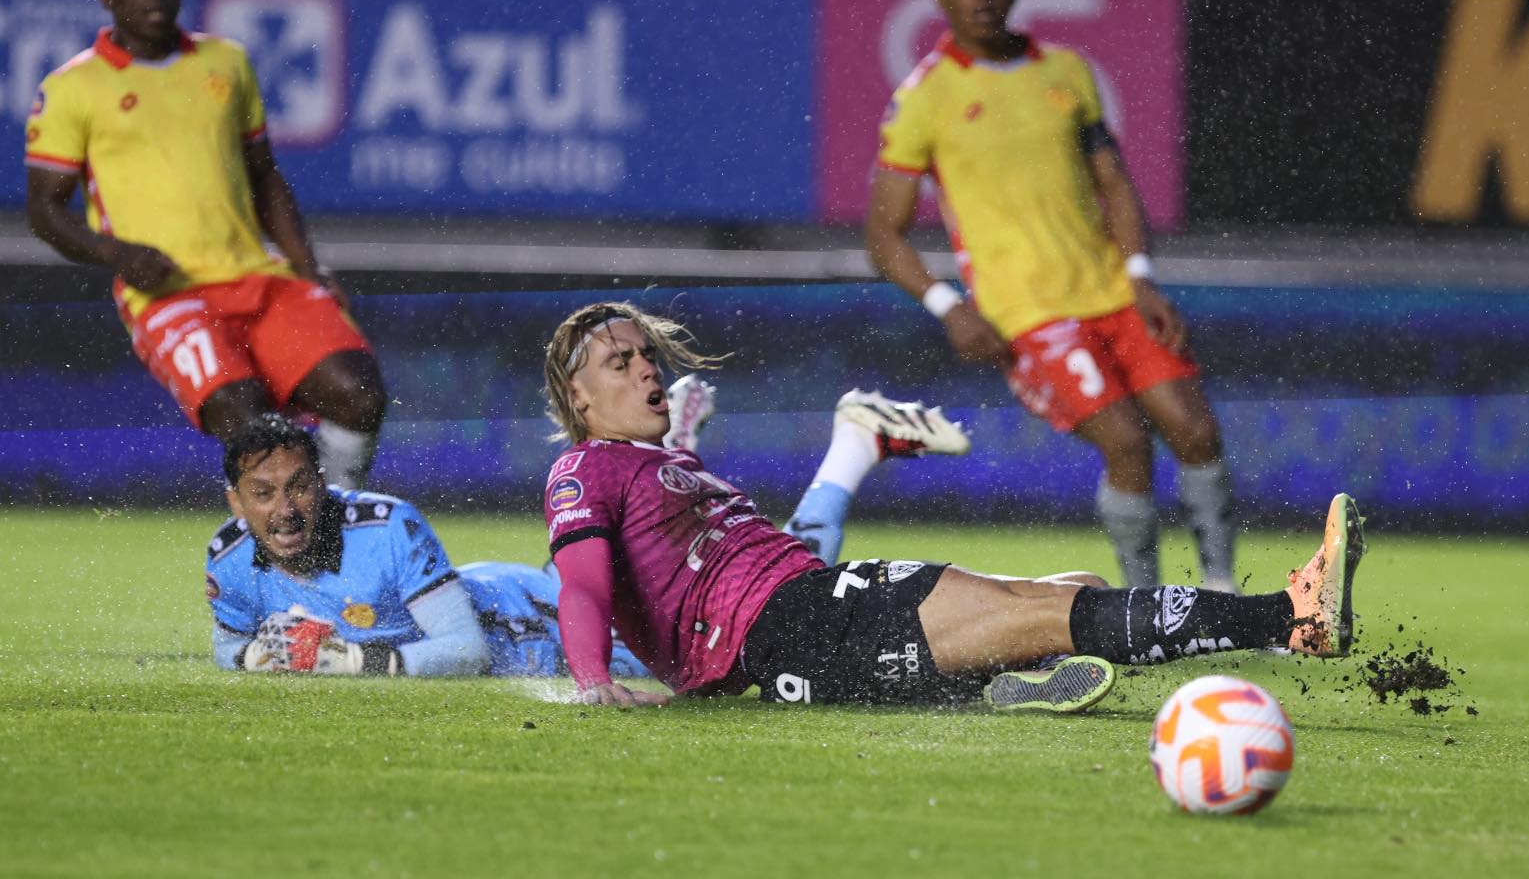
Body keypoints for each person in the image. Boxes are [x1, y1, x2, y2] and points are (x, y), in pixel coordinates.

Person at [541, 301, 1366, 711]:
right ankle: (1288, 616)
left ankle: (993, 684)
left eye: (648, 353)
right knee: (1048, 607)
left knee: (1070, 587)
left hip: (802, 631)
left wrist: (682, 435)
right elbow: (582, 582)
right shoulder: (583, 470)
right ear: (577, 396)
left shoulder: (654, 464)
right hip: (794, 626)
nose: (646, 368)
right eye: (621, 361)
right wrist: (590, 681)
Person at [863, 0, 1237, 593]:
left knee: (1197, 431)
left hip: (1114, 294)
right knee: (1126, 442)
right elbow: (883, 234)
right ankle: (1144, 605)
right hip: (1026, 313)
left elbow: (1115, 183)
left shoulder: (1067, 72)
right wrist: (950, 307)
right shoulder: (924, 98)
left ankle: (1220, 590)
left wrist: (1142, 276)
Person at [208, 375, 970, 677]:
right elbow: (228, 646)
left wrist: (349, 662)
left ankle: (852, 446)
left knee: (778, 610)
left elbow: (466, 651)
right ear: (236, 501)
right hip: (529, 588)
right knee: (717, 572)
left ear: (325, 482)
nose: (286, 507)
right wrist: (256, 657)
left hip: (540, 626)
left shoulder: (387, 526)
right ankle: (669, 466)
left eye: (301, 484)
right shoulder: (228, 559)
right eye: (264, 492)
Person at [23, 0, 385, 489]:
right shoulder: (73, 88)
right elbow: (45, 209)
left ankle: (335, 523)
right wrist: (117, 254)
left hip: (261, 280)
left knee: (358, 393)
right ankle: (290, 553)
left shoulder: (225, 63)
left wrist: (310, 272)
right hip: (170, 294)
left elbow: (265, 176)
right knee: (254, 430)